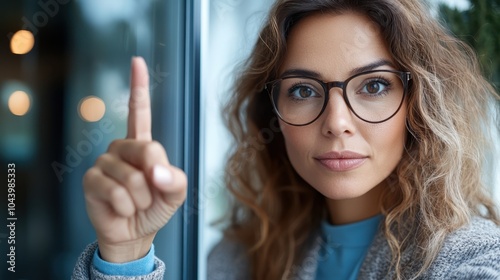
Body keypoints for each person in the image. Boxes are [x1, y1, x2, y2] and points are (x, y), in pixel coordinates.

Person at [73, 0, 500, 279]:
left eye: (373, 86)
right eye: (303, 90)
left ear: (419, 105)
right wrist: (126, 255)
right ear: (271, 114)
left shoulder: (474, 259)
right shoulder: (237, 260)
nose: (336, 123)